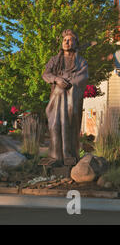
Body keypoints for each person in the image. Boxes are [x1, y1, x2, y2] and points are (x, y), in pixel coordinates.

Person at [42, 29, 88, 165]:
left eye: (70, 40)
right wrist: (56, 79)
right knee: (54, 124)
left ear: (75, 43)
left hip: (71, 99)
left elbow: (83, 76)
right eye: (64, 40)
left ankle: (69, 155)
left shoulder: (81, 61)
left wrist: (67, 82)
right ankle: (55, 156)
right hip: (56, 99)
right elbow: (46, 74)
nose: (67, 42)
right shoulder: (54, 60)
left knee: (69, 125)